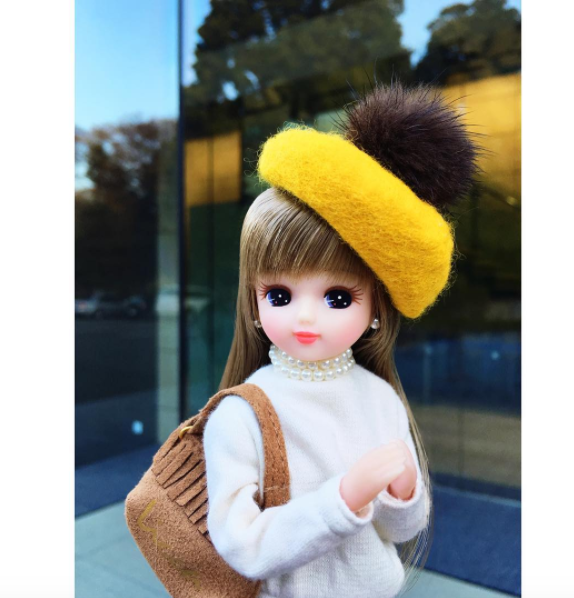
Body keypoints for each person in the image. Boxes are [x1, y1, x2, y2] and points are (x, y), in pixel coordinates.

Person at [202, 81, 479, 598]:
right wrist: (344, 498)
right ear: (253, 300)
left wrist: (402, 491)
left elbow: (403, 529)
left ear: (375, 308)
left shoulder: (378, 397)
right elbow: (241, 544)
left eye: (337, 297)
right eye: (279, 295)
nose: (306, 316)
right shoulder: (243, 412)